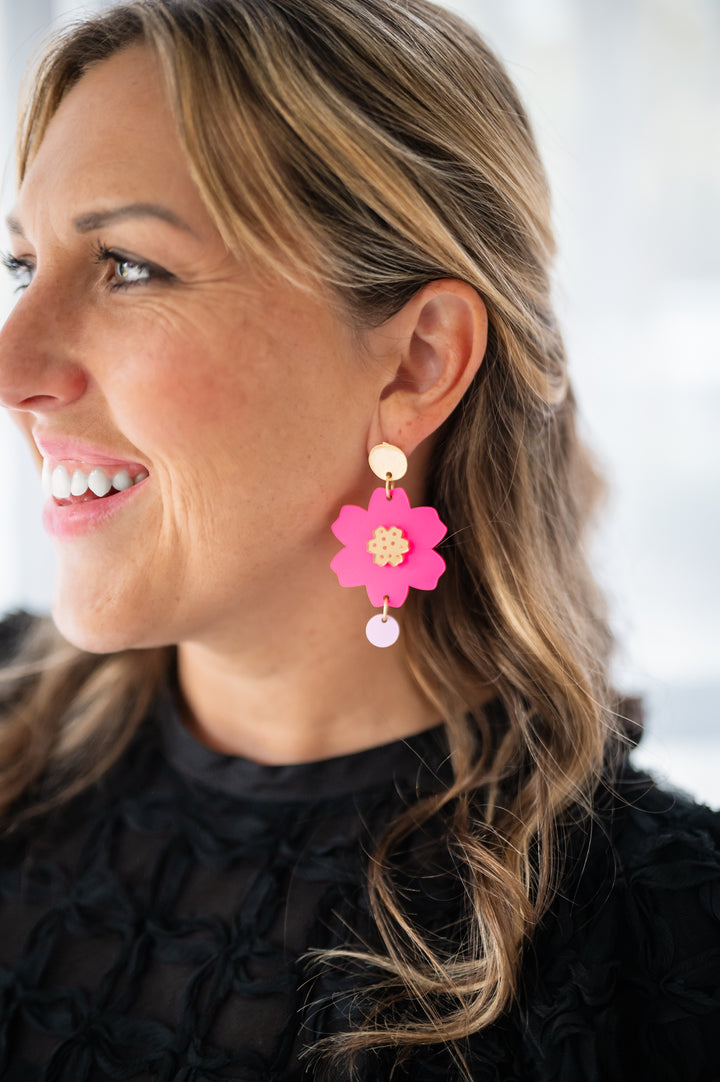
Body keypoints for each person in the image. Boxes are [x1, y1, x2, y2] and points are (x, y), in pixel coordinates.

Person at [0, 0, 717, 1079]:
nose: (14, 365)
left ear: (419, 360)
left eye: (128, 265)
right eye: (20, 265)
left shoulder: (661, 945)